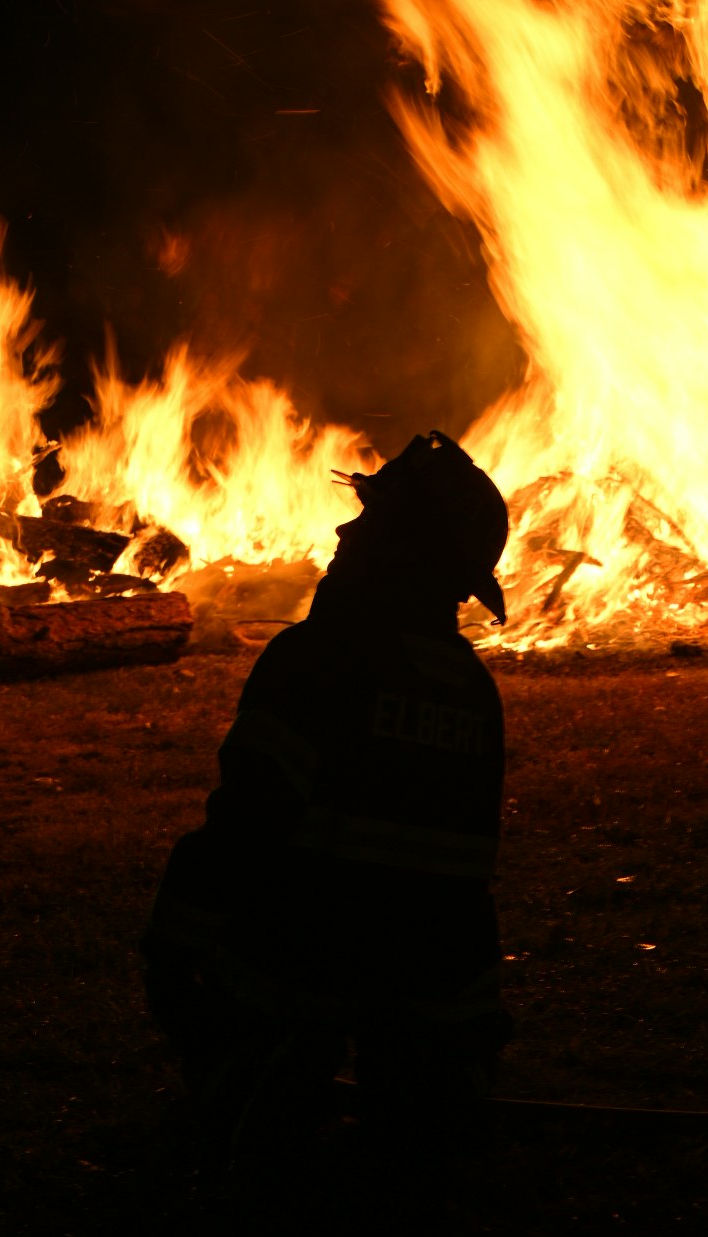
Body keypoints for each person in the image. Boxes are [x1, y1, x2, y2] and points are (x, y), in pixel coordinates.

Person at [142, 430, 511, 1177]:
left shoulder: (318, 660)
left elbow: (243, 829)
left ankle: (259, 1100)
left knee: (246, 1124)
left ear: (408, 551)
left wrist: (172, 952)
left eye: (371, 521)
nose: (346, 531)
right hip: (440, 990)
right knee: (419, 1154)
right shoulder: (471, 690)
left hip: (309, 963)